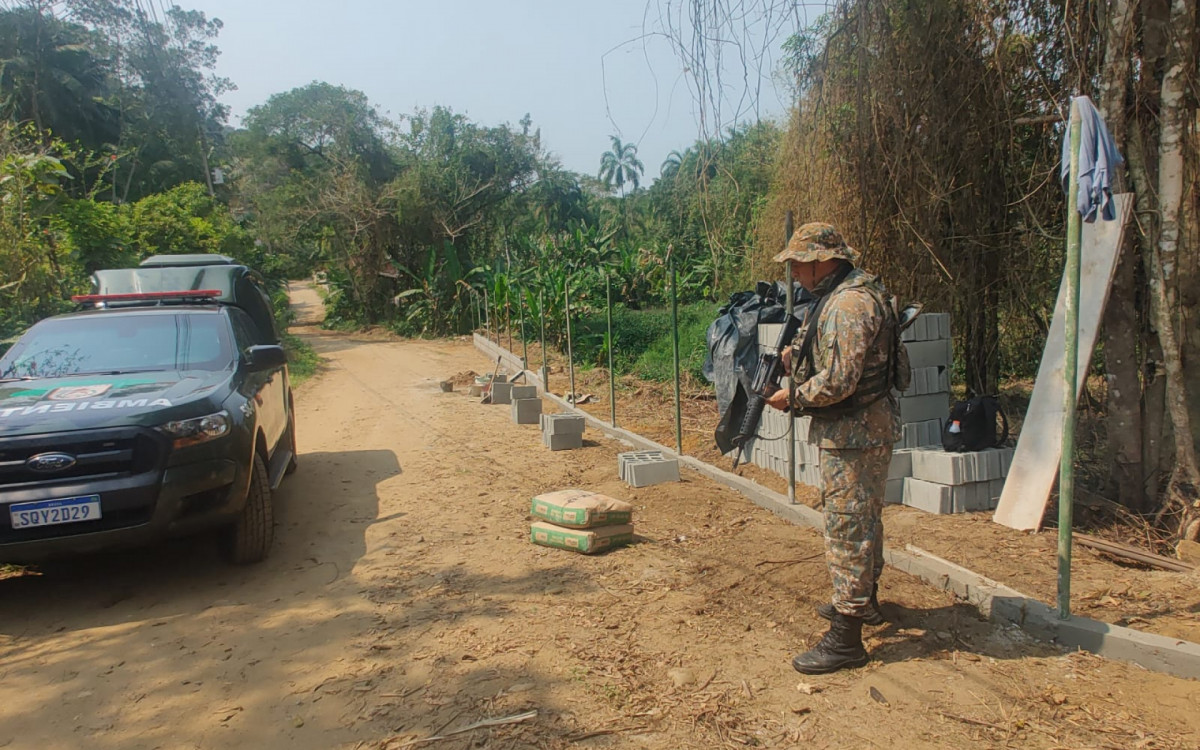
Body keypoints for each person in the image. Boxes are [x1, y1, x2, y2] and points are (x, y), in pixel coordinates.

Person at [764, 222, 910, 675]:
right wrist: (795, 356)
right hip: (854, 431)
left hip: (856, 433)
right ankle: (863, 603)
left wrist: (796, 395)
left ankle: (847, 638)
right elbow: (832, 356)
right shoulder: (839, 294)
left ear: (820, 261)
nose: (795, 275)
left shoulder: (849, 303)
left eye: (798, 266)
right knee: (861, 519)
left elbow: (841, 380)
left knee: (848, 526)